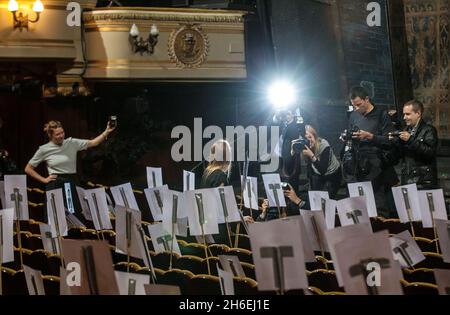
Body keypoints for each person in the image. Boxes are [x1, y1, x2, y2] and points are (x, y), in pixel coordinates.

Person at [25, 120, 115, 220]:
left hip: (69, 183)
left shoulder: (71, 143)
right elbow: (28, 169)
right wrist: (44, 180)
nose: (61, 136)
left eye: (62, 132)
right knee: (55, 217)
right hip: (54, 183)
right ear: (50, 135)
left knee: (72, 215)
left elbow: (94, 143)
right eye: (57, 134)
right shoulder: (44, 149)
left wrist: (107, 131)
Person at [344, 86, 399, 214]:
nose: (356, 109)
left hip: (377, 169)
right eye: (354, 106)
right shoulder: (353, 116)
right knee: (361, 208)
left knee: (379, 208)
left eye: (358, 105)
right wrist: (347, 138)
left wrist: (371, 137)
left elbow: (390, 140)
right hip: (358, 167)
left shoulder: (381, 115)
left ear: (367, 99)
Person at [397, 100, 438, 189]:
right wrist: (395, 142)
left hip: (423, 182)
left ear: (418, 113)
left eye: (408, 114)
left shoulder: (429, 130)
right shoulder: (405, 130)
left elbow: (430, 153)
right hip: (407, 180)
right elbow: (401, 156)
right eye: (404, 114)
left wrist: (410, 140)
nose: (404, 117)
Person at [292, 125, 341, 199]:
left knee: (328, 201)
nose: (309, 141)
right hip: (317, 173)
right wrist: (292, 151)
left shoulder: (323, 145)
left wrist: (311, 155)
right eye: (306, 139)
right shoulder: (303, 146)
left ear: (315, 136)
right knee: (316, 199)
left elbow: (323, 170)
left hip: (332, 174)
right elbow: (293, 168)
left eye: (310, 137)